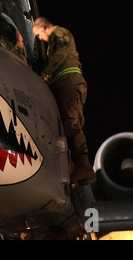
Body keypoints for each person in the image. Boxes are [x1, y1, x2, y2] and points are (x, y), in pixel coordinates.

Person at [32, 17, 95, 185]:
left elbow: (61, 53)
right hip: (66, 82)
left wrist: (45, 74)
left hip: (70, 81)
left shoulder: (59, 34)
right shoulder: (52, 42)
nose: (40, 39)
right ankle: (79, 167)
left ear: (44, 27)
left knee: (72, 122)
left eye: (39, 34)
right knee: (70, 124)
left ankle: (83, 165)